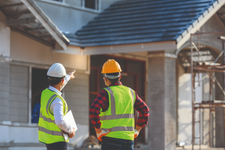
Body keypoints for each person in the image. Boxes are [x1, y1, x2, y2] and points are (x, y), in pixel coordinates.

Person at [89, 59, 150, 150]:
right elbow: (145, 110)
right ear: (120, 76)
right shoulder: (131, 92)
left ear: (105, 78)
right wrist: (137, 130)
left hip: (111, 139)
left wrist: (98, 131)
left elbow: (93, 110)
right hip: (129, 140)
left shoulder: (106, 93)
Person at [38, 63, 76, 150]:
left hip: (48, 139)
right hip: (58, 142)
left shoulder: (45, 93)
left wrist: (68, 77)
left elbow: (57, 87)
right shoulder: (57, 100)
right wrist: (71, 130)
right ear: (62, 81)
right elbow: (59, 121)